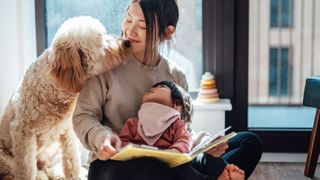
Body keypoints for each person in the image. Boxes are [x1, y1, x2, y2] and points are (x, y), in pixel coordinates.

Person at [72, 0, 263, 179]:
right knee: (148, 167)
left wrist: (205, 145)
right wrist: (103, 138)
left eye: (143, 26)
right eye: (128, 19)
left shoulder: (176, 75)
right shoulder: (104, 65)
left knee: (249, 142)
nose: (130, 30)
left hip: (171, 159)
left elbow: (181, 128)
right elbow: (83, 116)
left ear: (167, 32)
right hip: (115, 164)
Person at [119, 80, 245, 180]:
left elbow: (184, 139)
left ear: (177, 104)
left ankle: (224, 172)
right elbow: (122, 142)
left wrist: (175, 153)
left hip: (171, 163)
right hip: (140, 165)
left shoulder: (177, 124)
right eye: (152, 88)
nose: (152, 88)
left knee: (183, 167)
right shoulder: (133, 123)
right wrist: (130, 149)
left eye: (161, 86)